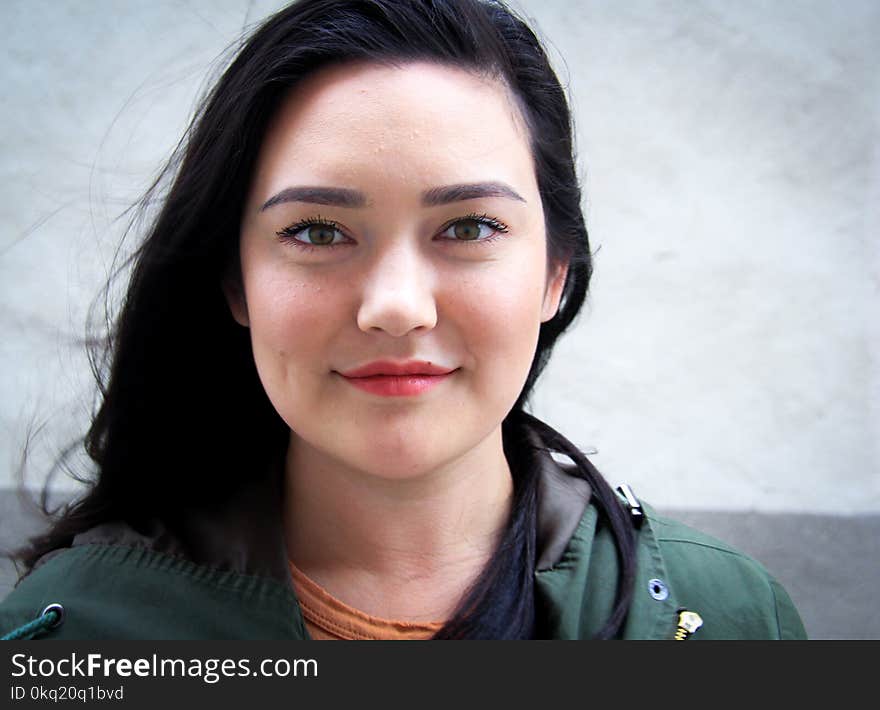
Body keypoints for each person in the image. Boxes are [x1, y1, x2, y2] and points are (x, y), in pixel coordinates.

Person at [0, 0, 805, 640]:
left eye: (468, 228)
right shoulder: (71, 639)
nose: (394, 306)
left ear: (556, 272)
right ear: (235, 282)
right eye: (317, 231)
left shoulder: (727, 619)